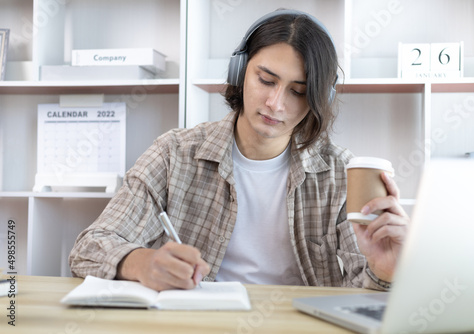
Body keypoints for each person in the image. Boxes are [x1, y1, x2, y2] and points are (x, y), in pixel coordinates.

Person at [69, 9, 409, 292]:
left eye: (298, 91)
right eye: (266, 80)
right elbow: (88, 248)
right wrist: (141, 263)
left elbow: (363, 300)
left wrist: (385, 272)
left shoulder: (341, 174)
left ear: (320, 100)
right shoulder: (174, 153)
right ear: (240, 72)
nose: (276, 104)